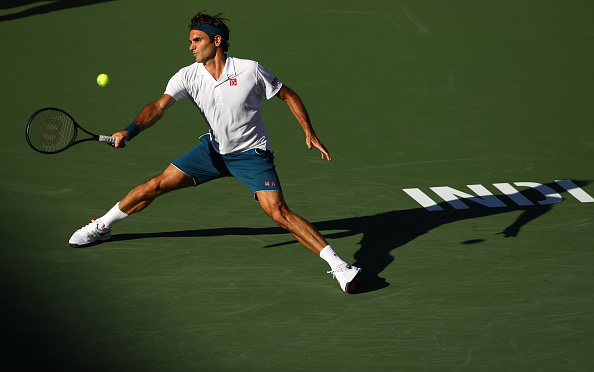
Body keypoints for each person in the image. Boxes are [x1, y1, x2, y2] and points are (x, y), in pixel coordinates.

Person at [69, 11, 361, 293]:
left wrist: (308, 131)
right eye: (191, 41)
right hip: (213, 151)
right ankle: (103, 225)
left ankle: (340, 267)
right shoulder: (187, 76)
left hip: (251, 155)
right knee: (155, 185)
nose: (190, 46)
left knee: (279, 212)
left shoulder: (250, 70)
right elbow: (157, 107)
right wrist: (129, 130)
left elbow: (288, 94)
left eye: (197, 40)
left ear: (216, 41)